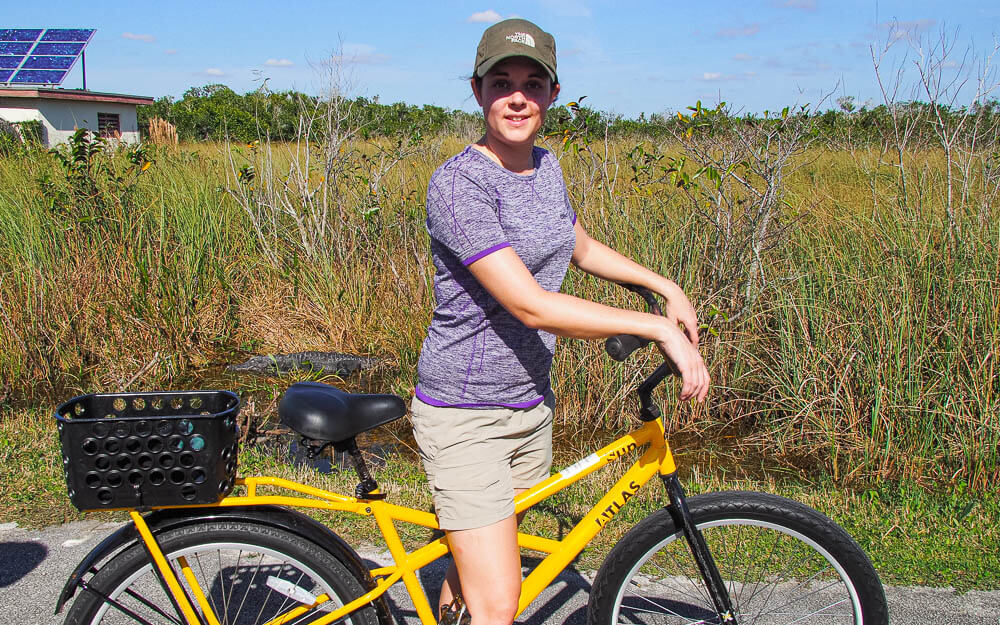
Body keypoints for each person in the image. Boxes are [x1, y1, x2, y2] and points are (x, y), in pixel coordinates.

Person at [411, 18, 710, 625]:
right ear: (478, 92)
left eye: (532, 82)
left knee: (474, 579)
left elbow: (578, 246)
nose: (516, 96)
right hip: (467, 412)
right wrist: (654, 327)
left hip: (529, 400)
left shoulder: (545, 167)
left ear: (551, 95)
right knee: (500, 604)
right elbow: (529, 303)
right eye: (501, 82)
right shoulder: (459, 184)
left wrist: (662, 284)